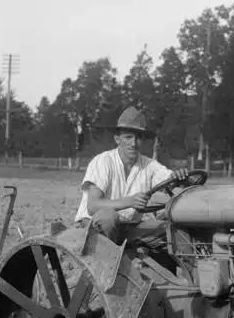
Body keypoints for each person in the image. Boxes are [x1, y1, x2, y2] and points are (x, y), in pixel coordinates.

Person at [74, 107, 190, 251]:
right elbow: (92, 206)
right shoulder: (103, 161)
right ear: (117, 139)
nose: (133, 144)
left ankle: (181, 271)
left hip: (127, 228)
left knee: (172, 230)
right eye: (128, 137)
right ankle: (107, 268)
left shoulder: (149, 165)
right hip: (93, 227)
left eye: (138, 138)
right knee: (108, 216)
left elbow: (170, 179)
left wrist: (179, 177)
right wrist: (130, 201)